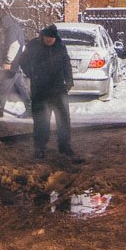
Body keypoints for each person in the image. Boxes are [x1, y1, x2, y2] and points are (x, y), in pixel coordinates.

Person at [17, 24, 78, 160]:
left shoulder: (60, 46)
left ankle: (64, 146)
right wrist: (31, 74)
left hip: (58, 88)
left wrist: (69, 80)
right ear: (42, 36)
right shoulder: (33, 45)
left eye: (52, 38)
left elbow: (66, 63)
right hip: (40, 89)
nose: (50, 40)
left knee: (63, 119)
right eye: (47, 37)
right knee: (41, 120)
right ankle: (40, 148)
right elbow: (22, 60)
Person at [0, 12, 29, 117]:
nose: (1, 27)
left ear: (4, 23)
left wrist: (8, 61)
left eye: (1, 24)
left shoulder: (11, 31)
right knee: (22, 88)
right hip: (17, 64)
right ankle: (31, 110)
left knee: (4, 87)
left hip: (12, 65)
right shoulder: (16, 29)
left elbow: (13, 46)